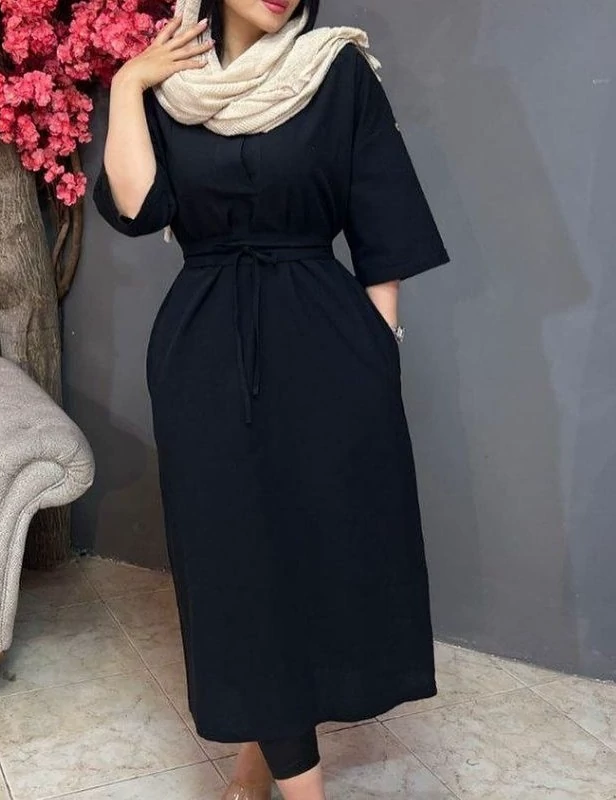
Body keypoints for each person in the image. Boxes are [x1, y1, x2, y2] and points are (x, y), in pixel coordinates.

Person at [92, 1, 451, 798]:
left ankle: (261, 763)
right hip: (204, 352)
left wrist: (378, 353)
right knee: (235, 565)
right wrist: (128, 84)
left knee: (318, 556)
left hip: (328, 346)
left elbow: (383, 220)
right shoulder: (168, 84)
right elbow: (139, 208)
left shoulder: (336, 71)